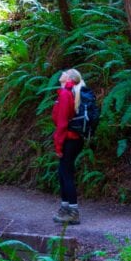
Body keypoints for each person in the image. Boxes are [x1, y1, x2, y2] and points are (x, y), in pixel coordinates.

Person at [52, 68, 86, 224]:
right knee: (63, 172)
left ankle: (73, 212)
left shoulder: (66, 94)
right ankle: (65, 208)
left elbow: (62, 123)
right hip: (73, 139)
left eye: (65, 72)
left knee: (66, 173)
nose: (62, 73)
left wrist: (58, 146)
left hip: (69, 139)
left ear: (69, 78)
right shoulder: (67, 92)